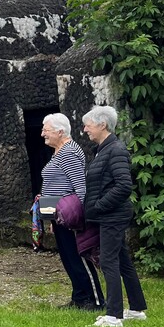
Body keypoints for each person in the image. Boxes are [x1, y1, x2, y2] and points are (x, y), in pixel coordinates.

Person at [82, 106, 147, 327]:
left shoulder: (115, 150)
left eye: (88, 125)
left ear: (103, 125)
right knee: (122, 261)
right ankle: (137, 309)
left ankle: (113, 316)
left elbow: (123, 186)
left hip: (112, 215)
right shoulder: (102, 149)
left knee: (108, 261)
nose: (85, 129)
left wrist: (99, 206)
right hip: (109, 214)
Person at [39, 113, 103, 311]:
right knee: (68, 257)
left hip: (71, 216)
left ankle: (95, 300)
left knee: (79, 257)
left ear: (60, 131)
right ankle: (79, 297)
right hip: (59, 216)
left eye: (46, 130)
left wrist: (84, 217)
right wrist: (51, 218)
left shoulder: (69, 152)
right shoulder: (58, 151)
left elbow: (80, 187)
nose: (42, 134)